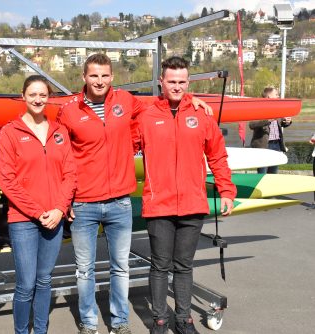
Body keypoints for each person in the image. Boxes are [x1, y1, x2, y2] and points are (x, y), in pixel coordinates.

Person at [56, 53, 212, 334]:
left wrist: (193, 100)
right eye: (94, 75)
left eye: (105, 75)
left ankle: (119, 322)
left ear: (112, 77)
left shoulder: (126, 101)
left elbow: (161, 105)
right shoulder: (68, 110)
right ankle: (89, 323)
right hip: (84, 201)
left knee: (120, 268)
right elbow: (60, 157)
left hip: (119, 201)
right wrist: (64, 199)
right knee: (85, 270)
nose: (100, 81)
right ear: (84, 77)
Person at [132, 56, 236, 334]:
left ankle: (183, 318)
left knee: (184, 266)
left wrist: (226, 190)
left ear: (188, 83)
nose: (177, 86)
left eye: (182, 82)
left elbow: (217, 156)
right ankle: (160, 320)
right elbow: (121, 143)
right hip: (159, 204)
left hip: (192, 203)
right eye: (171, 81)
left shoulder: (201, 115)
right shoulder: (145, 115)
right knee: (159, 266)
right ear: (161, 82)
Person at [0, 75, 77, 334]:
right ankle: (22, 331)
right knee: (26, 283)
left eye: (43, 95)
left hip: (54, 218)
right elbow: (7, 181)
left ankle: (40, 330)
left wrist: (59, 209)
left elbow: (70, 175)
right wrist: (38, 212)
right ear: (23, 96)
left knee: (44, 280)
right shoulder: (10, 132)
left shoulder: (59, 132)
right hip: (23, 221)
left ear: (48, 97)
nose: (38, 99)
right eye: (33, 94)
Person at [249, 87, 292, 174]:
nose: (278, 96)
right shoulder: (258, 108)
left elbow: (282, 124)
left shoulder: (278, 108)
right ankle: (260, 187)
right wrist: (268, 120)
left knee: (273, 174)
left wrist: (287, 121)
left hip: (276, 144)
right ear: (269, 96)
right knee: (262, 173)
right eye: (276, 94)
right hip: (263, 146)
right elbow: (252, 124)